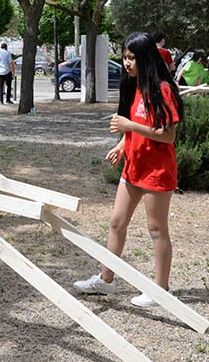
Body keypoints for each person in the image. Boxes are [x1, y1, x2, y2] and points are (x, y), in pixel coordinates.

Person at [73, 32, 184, 308]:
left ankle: (161, 289)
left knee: (156, 229)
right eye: (124, 57)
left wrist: (129, 128)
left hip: (156, 171)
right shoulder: (133, 87)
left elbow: (167, 135)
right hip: (133, 168)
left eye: (132, 58)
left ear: (145, 58)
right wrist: (123, 145)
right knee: (116, 222)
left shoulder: (163, 90)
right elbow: (132, 123)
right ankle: (106, 280)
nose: (126, 63)